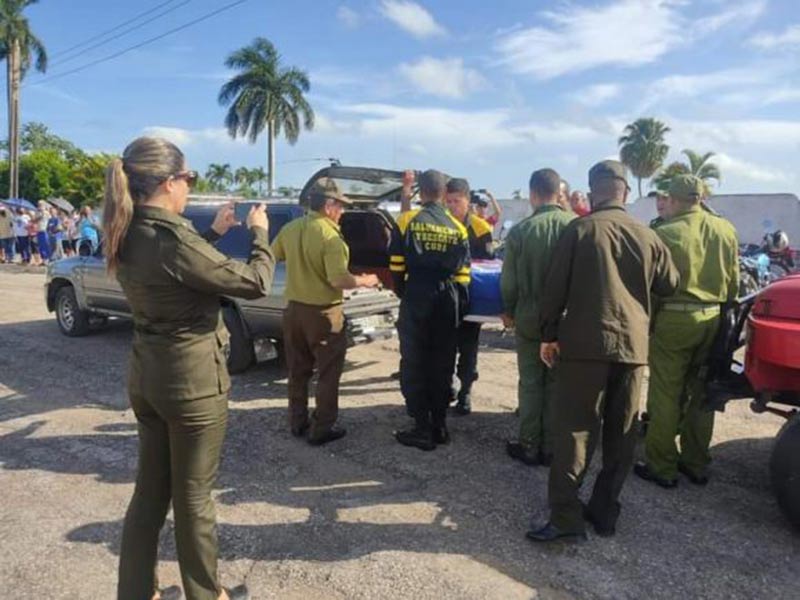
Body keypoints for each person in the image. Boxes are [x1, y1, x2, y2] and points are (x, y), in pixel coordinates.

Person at [104, 137, 274, 600]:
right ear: (168, 181)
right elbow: (254, 282)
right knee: (194, 499)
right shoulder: (170, 237)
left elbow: (179, 266)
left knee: (149, 495)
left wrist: (215, 234)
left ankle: (136, 592)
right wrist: (259, 233)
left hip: (148, 376)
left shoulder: (127, 227)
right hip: (191, 383)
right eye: (189, 179)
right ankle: (206, 594)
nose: (189, 188)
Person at [528, 160, 679, 542]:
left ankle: (565, 519)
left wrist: (548, 334)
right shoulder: (648, 236)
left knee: (576, 430)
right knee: (621, 435)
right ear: (625, 192)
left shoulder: (578, 230)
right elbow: (670, 284)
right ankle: (604, 512)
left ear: (592, 192)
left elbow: (553, 290)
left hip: (583, 345)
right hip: (632, 349)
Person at [635, 175, 739, 488]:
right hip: (715, 319)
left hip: (675, 320)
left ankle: (662, 466)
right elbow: (733, 282)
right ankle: (695, 462)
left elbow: (651, 287)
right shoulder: (726, 229)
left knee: (666, 393)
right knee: (702, 391)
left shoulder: (664, 232)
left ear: (676, 200)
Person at [272, 178, 380, 445]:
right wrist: (367, 280)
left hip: (293, 310)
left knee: (297, 370)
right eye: (341, 206)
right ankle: (321, 428)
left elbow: (273, 255)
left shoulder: (290, 228)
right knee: (328, 372)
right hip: (323, 314)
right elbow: (339, 281)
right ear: (329, 205)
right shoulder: (331, 237)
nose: (342, 212)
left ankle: (297, 421)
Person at [391, 169, 471, 451]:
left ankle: (421, 428)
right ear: (443, 192)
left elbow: (397, 267)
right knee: (442, 362)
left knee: (414, 361)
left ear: (420, 192)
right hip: (447, 298)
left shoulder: (406, 221)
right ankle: (440, 426)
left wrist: (406, 295)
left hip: (418, 294)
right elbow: (463, 277)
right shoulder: (458, 227)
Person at [501, 168, 576, 466]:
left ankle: (530, 443)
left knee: (531, 382)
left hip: (530, 316)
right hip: (567, 319)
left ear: (532, 194)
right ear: (559, 193)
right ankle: (553, 446)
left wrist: (508, 309)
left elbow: (509, 281)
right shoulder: (577, 226)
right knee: (558, 382)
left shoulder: (520, 231)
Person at [445, 177, 494, 415]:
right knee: (444, 347)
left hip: (470, 300)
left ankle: (465, 392)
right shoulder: (440, 224)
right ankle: (447, 387)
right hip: (445, 298)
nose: (452, 206)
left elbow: (487, 264)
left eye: (457, 201)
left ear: (467, 201)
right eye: (449, 201)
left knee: (468, 349)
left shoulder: (480, 228)